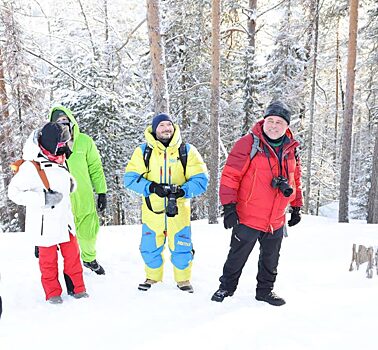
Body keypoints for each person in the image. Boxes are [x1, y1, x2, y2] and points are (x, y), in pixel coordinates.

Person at [211, 101, 303, 306]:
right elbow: (230, 176)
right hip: (248, 215)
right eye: (270, 120)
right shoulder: (249, 143)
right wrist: (229, 206)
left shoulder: (291, 149)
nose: (273, 125)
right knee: (237, 254)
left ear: (286, 126)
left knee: (271, 259)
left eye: (279, 122)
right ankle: (226, 287)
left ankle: (265, 291)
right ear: (264, 120)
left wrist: (296, 206)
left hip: (276, 218)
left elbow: (295, 177)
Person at [124, 113, 208, 293]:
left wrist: (182, 190)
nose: (166, 128)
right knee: (149, 247)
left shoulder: (187, 150)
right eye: (161, 125)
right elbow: (130, 178)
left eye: (168, 125)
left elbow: (201, 180)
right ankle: (152, 278)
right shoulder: (143, 151)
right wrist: (152, 188)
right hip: (151, 211)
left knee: (182, 247)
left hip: (179, 211)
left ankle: (183, 280)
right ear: (155, 129)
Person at [8, 122, 88, 304]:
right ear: (51, 145)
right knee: (48, 262)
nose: (64, 150)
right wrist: (42, 199)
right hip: (45, 225)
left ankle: (78, 289)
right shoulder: (31, 167)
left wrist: (71, 184)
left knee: (73, 257)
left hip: (65, 221)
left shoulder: (59, 158)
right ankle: (53, 293)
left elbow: (62, 178)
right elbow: (13, 193)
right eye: (61, 146)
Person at [48, 106, 108, 275]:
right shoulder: (47, 144)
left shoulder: (85, 141)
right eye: (58, 122)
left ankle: (89, 259)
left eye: (65, 120)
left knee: (89, 234)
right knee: (64, 238)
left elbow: (95, 168)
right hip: (60, 199)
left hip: (83, 197)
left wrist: (101, 191)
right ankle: (71, 270)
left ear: (71, 120)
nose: (62, 124)